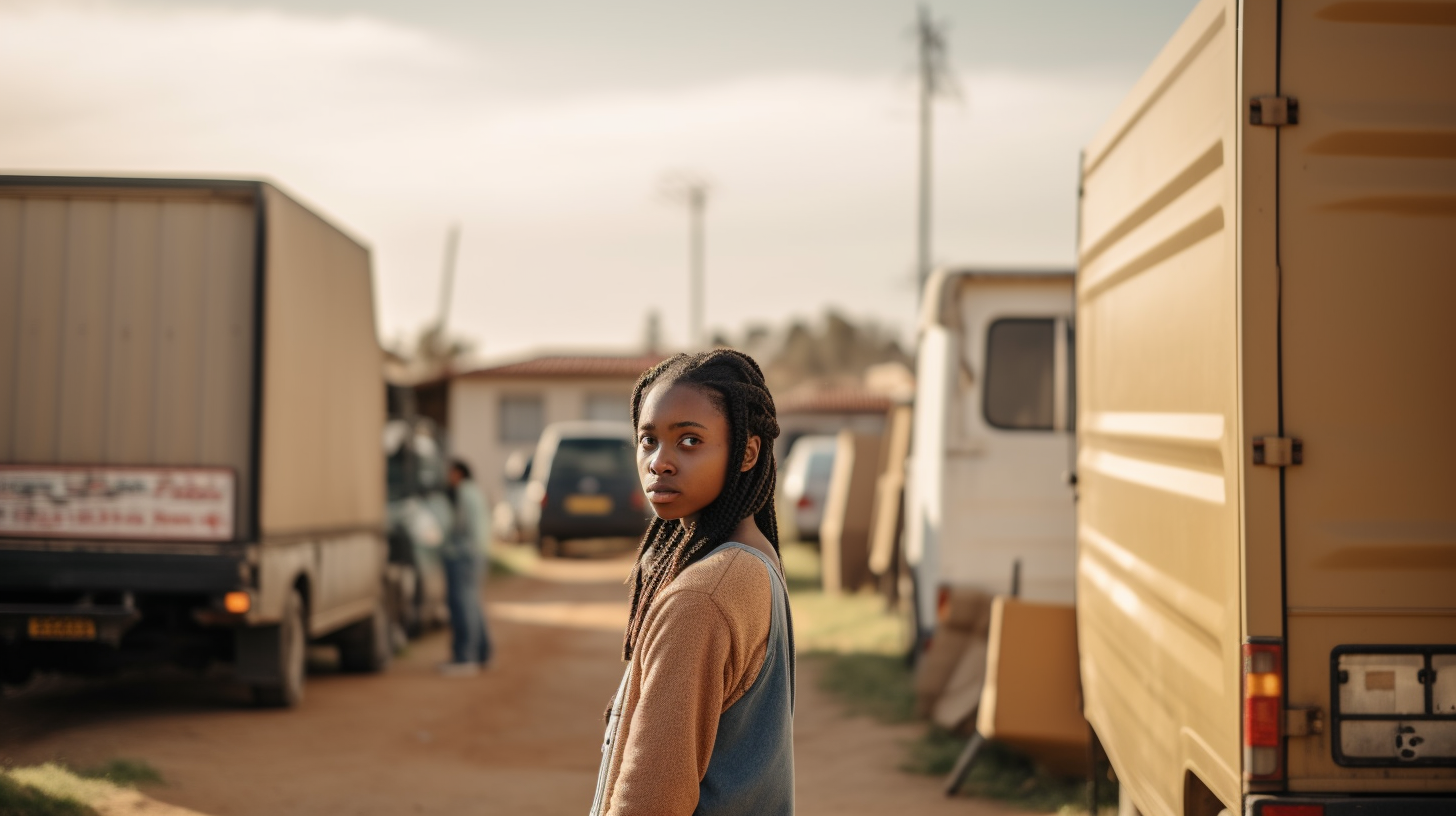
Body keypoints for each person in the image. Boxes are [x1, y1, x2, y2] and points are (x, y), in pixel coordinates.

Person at [591, 349, 794, 816]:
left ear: (747, 452)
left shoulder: (703, 596)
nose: (660, 461)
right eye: (648, 440)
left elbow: (651, 799)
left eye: (689, 441)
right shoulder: (754, 561)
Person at [440, 458, 491, 676]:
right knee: (472, 605)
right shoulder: (475, 492)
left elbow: (458, 525)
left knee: (462, 607)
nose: (447, 478)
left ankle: (465, 658)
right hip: (477, 553)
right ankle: (482, 654)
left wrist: (445, 543)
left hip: (463, 555)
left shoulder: (463, 493)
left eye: (449, 473)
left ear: (458, 474)